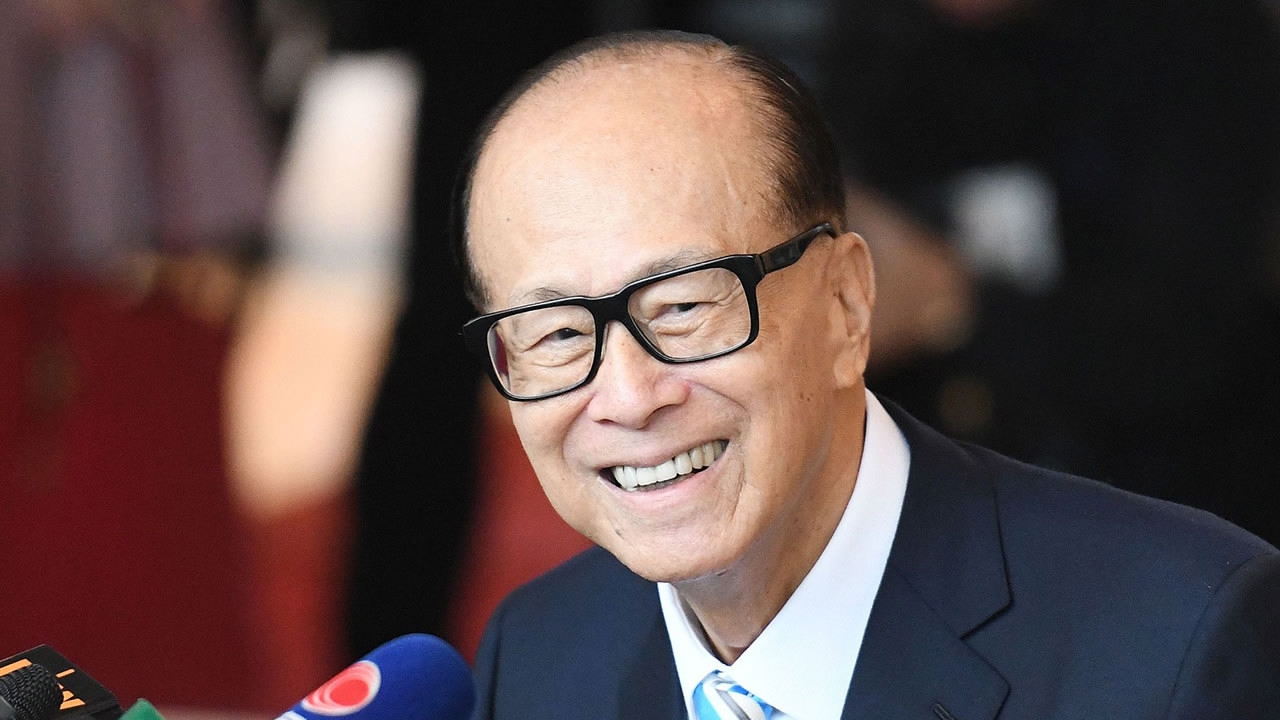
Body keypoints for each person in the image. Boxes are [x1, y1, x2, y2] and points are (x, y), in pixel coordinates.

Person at [456, 30, 1280, 718]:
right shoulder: (535, 657)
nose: (630, 396)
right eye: (557, 333)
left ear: (846, 304)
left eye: (683, 306)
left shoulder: (1180, 644)